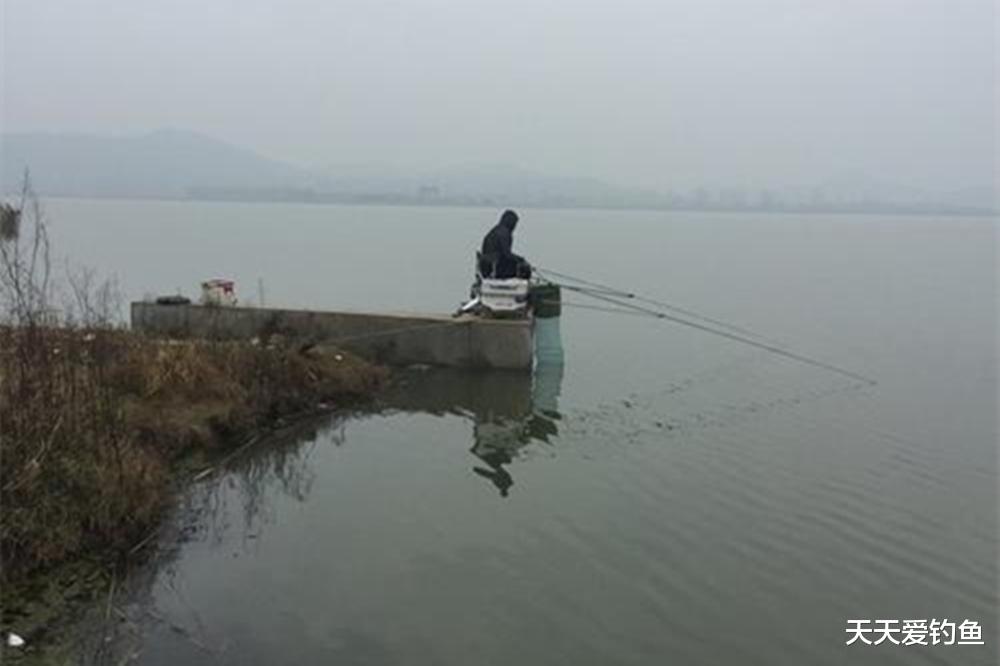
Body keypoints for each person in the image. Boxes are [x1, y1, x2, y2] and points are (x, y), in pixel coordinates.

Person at [479, 209, 531, 279]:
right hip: (494, 266)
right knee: (523, 266)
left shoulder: (496, 230)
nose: (515, 226)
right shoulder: (504, 233)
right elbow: (506, 254)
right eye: (515, 223)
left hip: (485, 265)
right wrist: (521, 259)